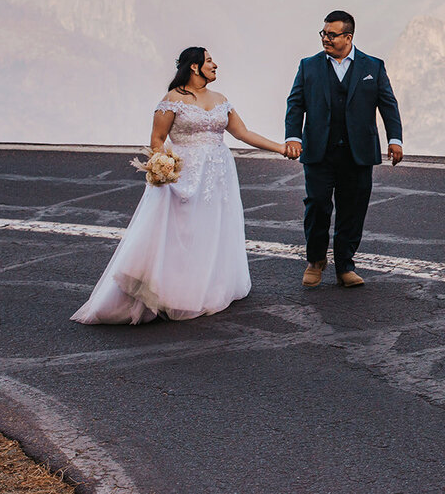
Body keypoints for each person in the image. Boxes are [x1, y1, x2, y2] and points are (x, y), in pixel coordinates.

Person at [72, 46, 286, 324]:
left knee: (213, 227)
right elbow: (157, 139)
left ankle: (206, 286)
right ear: (194, 67)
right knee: (182, 230)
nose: (216, 65)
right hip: (185, 173)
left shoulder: (221, 99)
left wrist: (280, 148)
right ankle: (171, 291)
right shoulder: (172, 100)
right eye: (210, 60)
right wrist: (163, 167)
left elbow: (242, 133)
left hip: (218, 172)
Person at [284, 10, 404, 288]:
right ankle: (315, 261)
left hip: (358, 152)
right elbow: (295, 103)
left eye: (332, 34)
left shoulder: (373, 66)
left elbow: (388, 104)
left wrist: (394, 139)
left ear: (348, 37)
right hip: (318, 151)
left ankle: (345, 265)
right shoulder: (308, 66)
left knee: (353, 209)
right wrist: (293, 137)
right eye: (323, 33)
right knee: (317, 206)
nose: (325, 38)